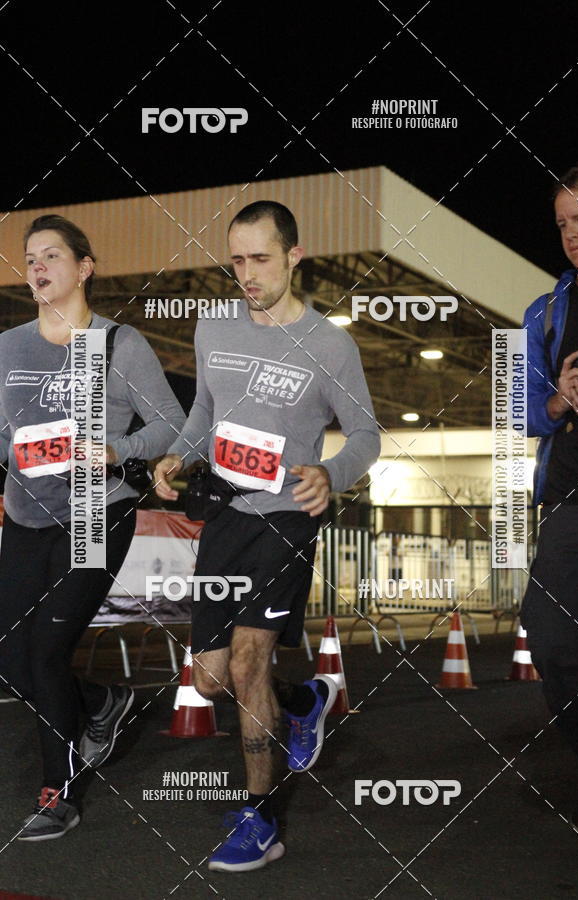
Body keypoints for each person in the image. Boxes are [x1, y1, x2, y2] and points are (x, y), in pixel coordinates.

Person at [155, 200, 380, 872]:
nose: (247, 274)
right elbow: (206, 413)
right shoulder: (214, 326)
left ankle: (260, 820)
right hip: (224, 516)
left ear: (293, 256)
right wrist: (177, 453)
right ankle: (304, 699)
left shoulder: (330, 344)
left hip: (285, 520)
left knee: (249, 664)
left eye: (260, 259)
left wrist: (329, 473)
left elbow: (366, 433)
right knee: (211, 679)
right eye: (237, 261)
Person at [0, 214, 185, 840]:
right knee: (10, 657)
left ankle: (59, 790)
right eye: (30, 259)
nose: (38, 267)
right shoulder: (10, 347)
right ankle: (102, 702)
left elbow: (172, 424)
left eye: (52, 255)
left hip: (94, 511)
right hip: (26, 515)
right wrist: (20, 445)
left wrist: (113, 450)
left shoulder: (118, 344)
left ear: (85, 267)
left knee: (47, 650)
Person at [521, 163, 578, 835]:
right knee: (551, 640)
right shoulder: (545, 312)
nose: (571, 235)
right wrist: (559, 397)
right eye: (562, 224)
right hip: (572, 501)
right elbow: (524, 411)